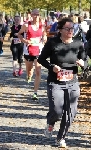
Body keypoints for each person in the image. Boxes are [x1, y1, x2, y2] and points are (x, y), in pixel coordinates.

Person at [37, 18, 87, 148]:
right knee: (57, 110)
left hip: (73, 82)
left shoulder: (78, 44)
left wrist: (83, 64)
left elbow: (86, 61)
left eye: (72, 28)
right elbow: (41, 59)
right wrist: (51, 67)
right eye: (68, 28)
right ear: (60, 30)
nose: (71, 31)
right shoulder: (53, 43)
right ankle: (51, 121)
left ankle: (61, 138)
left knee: (71, 112)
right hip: (56, 82)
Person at [18, 8, 47, 100]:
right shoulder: (26, 25)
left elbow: (44, 34)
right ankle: (28, 75)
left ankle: (35, 92)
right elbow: (19, 34)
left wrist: (44, 38)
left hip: (38, 49)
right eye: (34, 14)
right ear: (31, 15)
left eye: (37, 14)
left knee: (38, 71)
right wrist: (25, 40)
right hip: (28, 50)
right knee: (29, 69)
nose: (36, 16)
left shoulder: (42, 25)